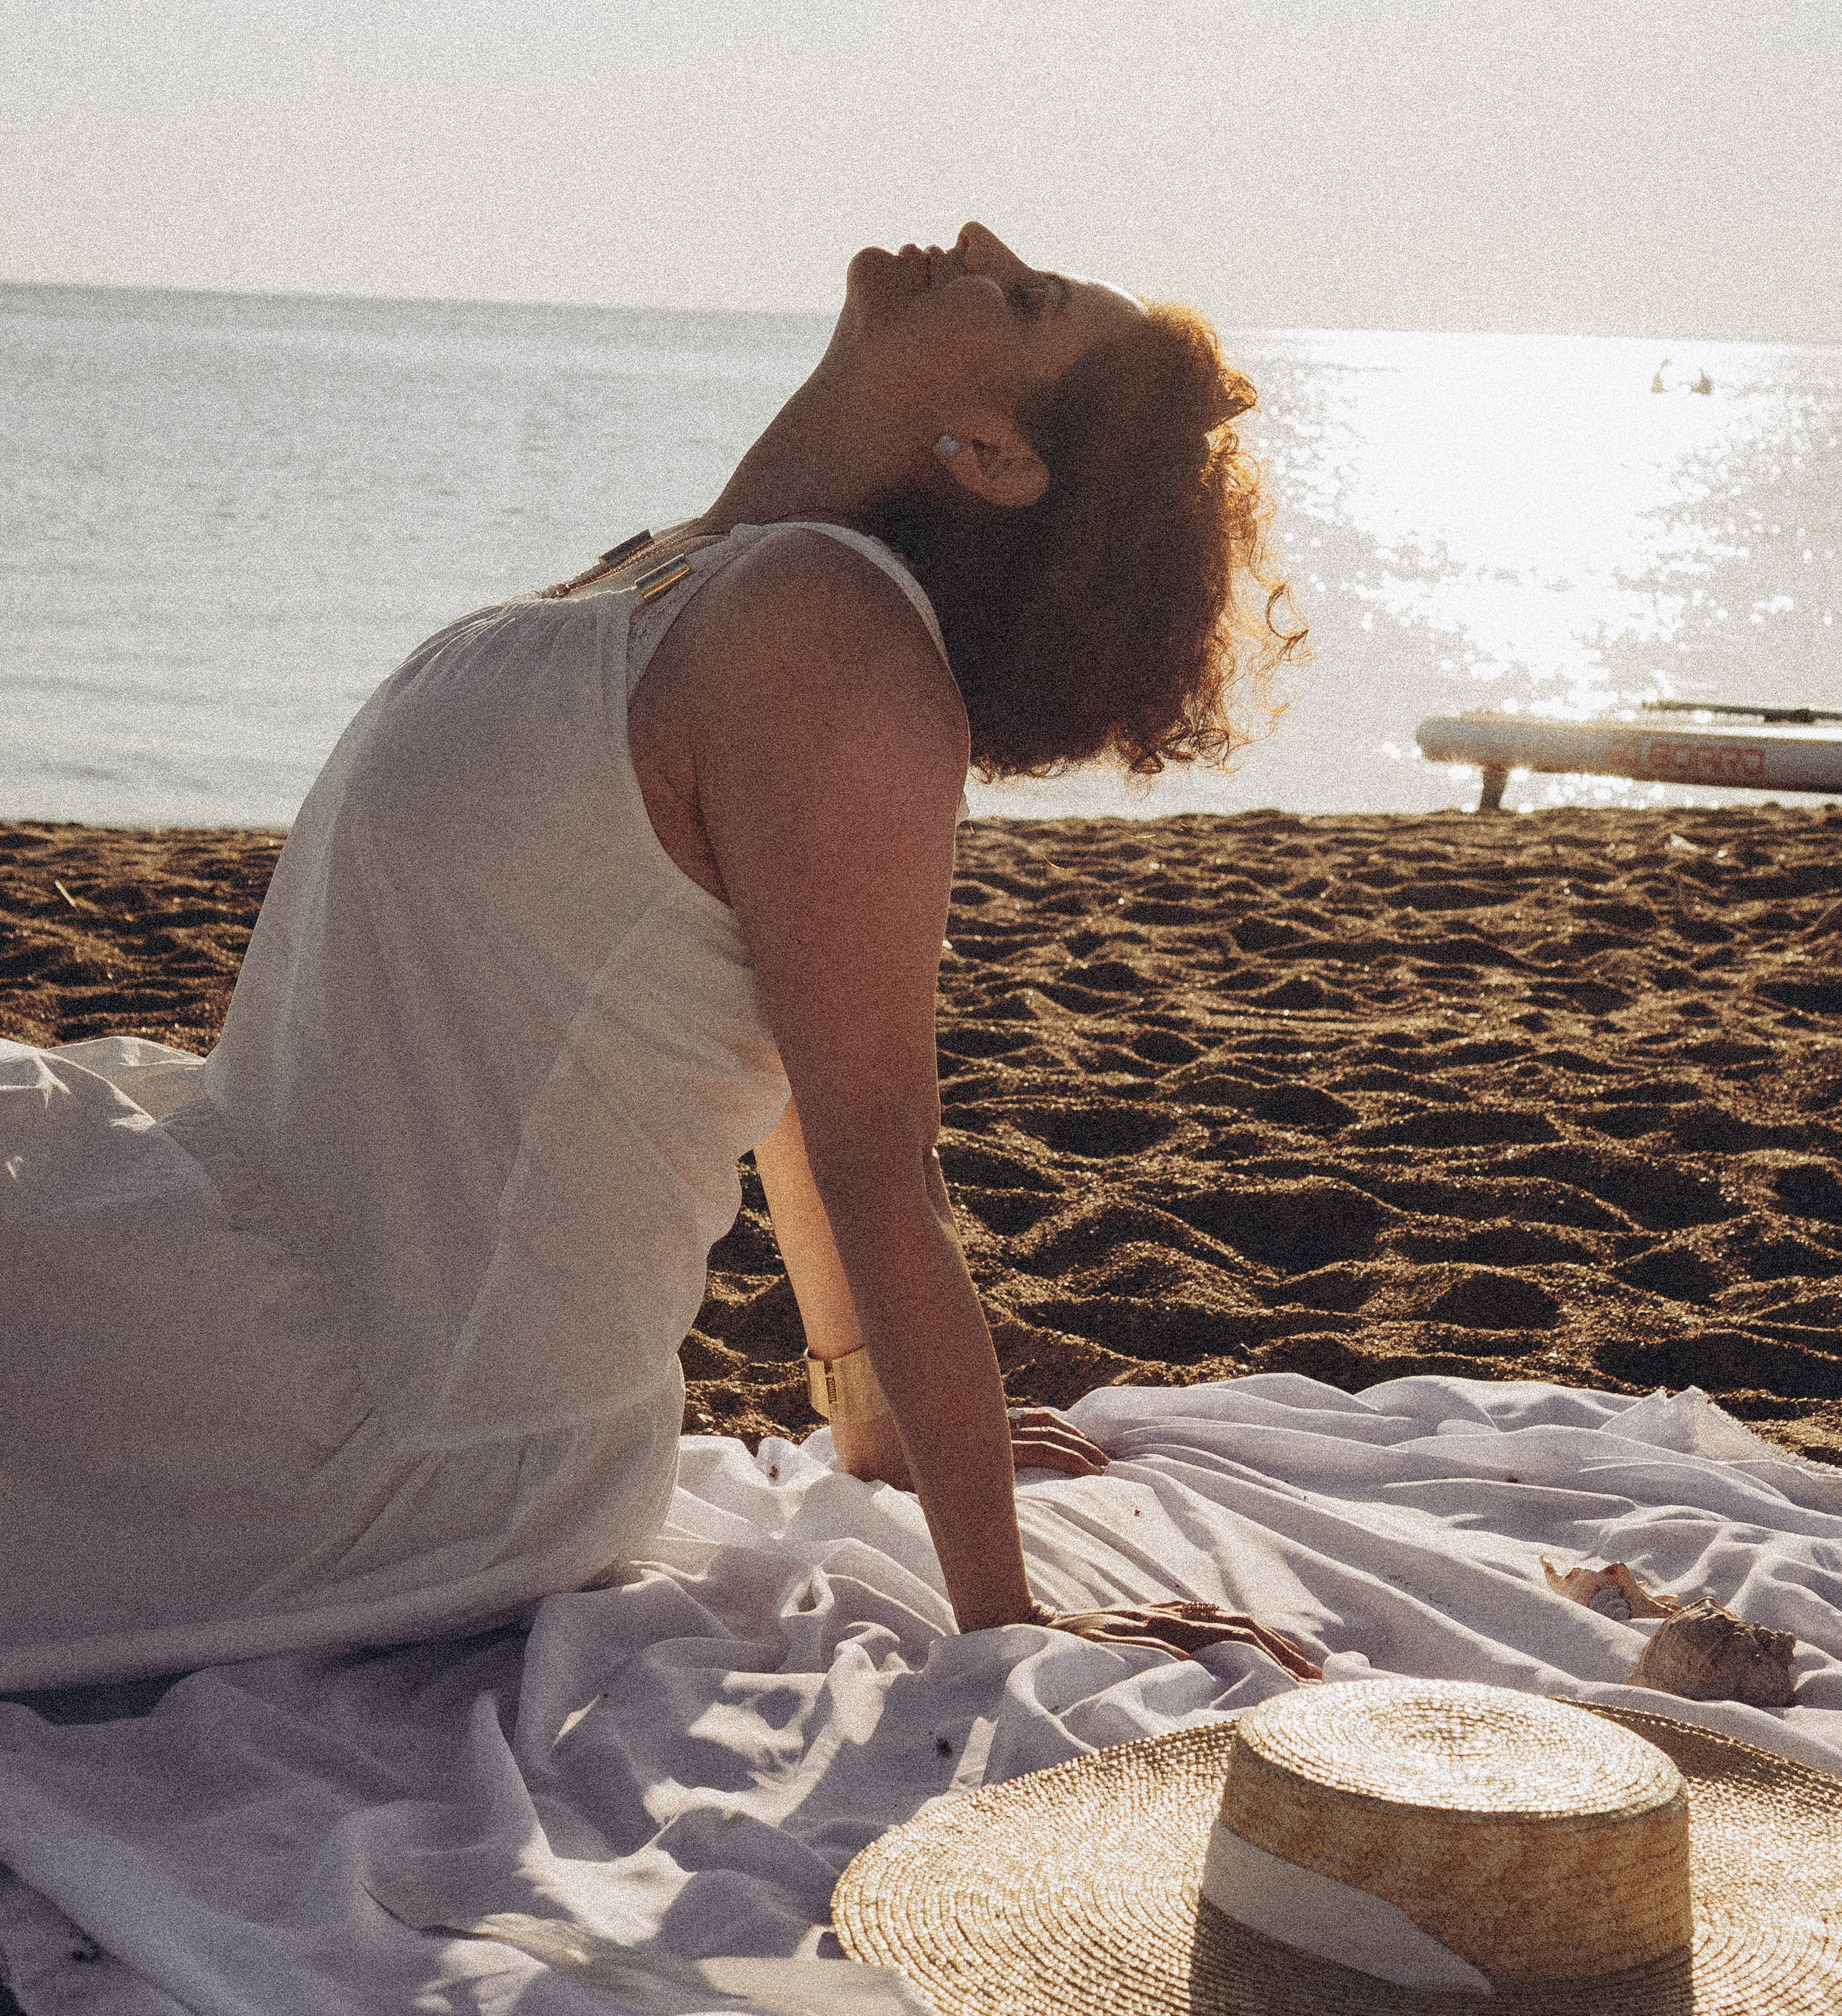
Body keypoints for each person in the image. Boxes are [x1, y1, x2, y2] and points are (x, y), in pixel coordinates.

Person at [1, 223, 1310, 1693]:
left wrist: (1003, 1614)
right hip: (228, 1234)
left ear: (994, 453)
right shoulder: (705, 570)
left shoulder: (837, 643)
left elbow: (870, 1144)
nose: (978, 243)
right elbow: (776, 1060)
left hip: (388, 1421)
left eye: (1020, 298)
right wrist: (860, 1409)